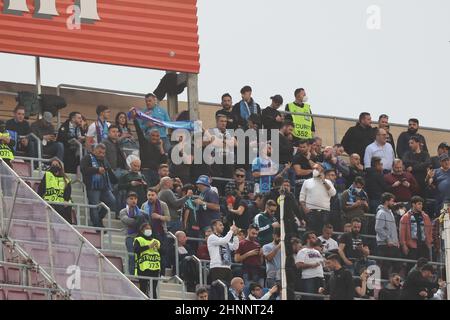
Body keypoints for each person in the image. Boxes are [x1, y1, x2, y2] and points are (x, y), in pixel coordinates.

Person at [80, 143, 117, 229]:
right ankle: (97, 225)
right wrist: (96, 170)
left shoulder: (104, 160)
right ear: (94, 150)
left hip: (104, 186)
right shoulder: (87, 157)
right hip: (92, 187)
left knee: (112, 201)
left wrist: (116, 180)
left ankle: (99, 218)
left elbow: (109, 171)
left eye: (103, 153)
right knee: (94, 206)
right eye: (99, 152)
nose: (101, 155)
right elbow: (83, 169)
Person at [129, 109, 168, 187]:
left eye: (157, 136)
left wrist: (161, 147)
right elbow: (139, 131)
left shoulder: (158, 148)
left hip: (156, 173)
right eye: (153, 135)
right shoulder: (144, 143)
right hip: (145, 172)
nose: (155, 137)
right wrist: (134, 119)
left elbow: (163, 161)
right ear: (149, 136)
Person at [299, 165, 337, 235]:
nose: (315, 170)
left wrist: (323, 181)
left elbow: (333, 193)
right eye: (314, 168)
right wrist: (304, 209)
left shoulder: (328, 182)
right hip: (310, 212)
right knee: (309, 233)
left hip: (324, 212)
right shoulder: (307, 182)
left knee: (321, 234)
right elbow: (302, 197)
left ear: (322, 171)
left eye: (317, 169)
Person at [120, 192, 149, 274]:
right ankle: (132, 274)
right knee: (132, 256)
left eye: (135, 199)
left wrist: (139, 219)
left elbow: (147, 224)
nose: (134, 201)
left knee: (141, 256)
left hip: (141, 237)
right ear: (127, 200)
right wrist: (139, 220)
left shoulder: (142, 213)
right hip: (130, 237)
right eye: (131, 199)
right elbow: (128, 221)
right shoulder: (123, 211)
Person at [37, 158, 72, 223]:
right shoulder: (47, 175)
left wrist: (66, 200)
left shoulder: (66, 179)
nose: (54, 166)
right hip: (50, 202)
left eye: (56, 164)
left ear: (60, 166)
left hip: (62, 203)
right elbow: (41, 188)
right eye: (53, 165)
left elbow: (68, 192)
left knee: (67, 208)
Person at [375, 193, 401, 279]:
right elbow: (378, 228)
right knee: (385, 267)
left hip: (393, 244)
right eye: (392, 201)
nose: (393, 203)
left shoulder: (390, 212)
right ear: (386, 201)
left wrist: (396, 241)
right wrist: (388, 239)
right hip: (385, 245)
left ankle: (392, 283)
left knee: (398, 265)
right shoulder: (381, 213)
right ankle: (384, 286)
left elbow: (393, 229)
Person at [399, 196, 433, 261]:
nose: (421, 206)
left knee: (424, 267)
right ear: (413, 204)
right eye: (419, 204)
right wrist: (404, 245)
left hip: (423, 245)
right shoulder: (406, 217)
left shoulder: (425, 217)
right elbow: (402, 233)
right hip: (411, 246)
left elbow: (429, 231)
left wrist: (429, 242)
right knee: (411, 266)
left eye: (422, 204)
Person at [134, 223, 161, 299]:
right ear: (142, 230)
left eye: (150, 229)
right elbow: (136, 250)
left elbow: (163, 252)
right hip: (143, 268)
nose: (149, 230)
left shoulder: (156, 241)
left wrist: (158, 248)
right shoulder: (138, 239)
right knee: (143, 289)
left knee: (153, 290)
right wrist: (149, 246)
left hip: (155, 268)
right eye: (147, 229)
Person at [207, 220, 239, 284]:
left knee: (227, 290)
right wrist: (231, 231)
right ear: (214, 226)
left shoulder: (222, 238)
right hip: (217, 267)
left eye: (222, 225)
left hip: (227, 266)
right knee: (219, 289)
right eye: (220, 225)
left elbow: (235, 247)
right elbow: (223, 241)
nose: (223, 227)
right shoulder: (212, 237)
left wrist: (235, 235)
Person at [296, 233, 324, 299]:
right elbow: (298, 265)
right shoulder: (302, 251)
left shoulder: (317, 252)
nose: (316, 239)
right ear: (308, 240)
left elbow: (321, 263)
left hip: (320, 278)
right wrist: (311, 265)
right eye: (313, 238)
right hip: (309, 278)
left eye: (315, 237)